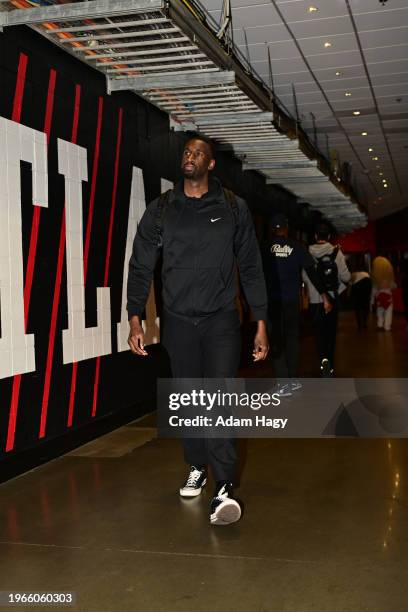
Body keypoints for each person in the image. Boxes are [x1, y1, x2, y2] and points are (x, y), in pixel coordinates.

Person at [127, 136, 269, 526]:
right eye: (186, 152)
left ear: (210, 165)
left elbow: (252, 266)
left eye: (198, 154)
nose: (189, 157)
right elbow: (140, 265)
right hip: (178, 321)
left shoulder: (232, 208)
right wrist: (135, 317)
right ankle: (196, 466)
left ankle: (223, 483)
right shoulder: (162, 209)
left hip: (221, 318)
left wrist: (260, 323)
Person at [262, 213, 331, 395]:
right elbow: (312, 272)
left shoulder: (264, 248)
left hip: (273, 301)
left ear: (271, 230)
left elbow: (255, 275)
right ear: (286, 229)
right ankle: (292, 379)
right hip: (292, 300)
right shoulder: (297, 247)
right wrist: (324, 295)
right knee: (292, 338)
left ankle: (284, 382)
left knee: (277, 339)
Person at [302, 223, 350, 377]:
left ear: (315, 236)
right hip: (332, 299)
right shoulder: (337, 252)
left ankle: (324, 367)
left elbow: (305, 277)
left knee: (319, 336)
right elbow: (346, 277)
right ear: (328, 236)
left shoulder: (307, 253)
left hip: (315, 302)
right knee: (330, 335)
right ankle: (330, 367)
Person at [371, 255, 396, 331]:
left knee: (380, 311)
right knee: (388, 312)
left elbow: (374, 291)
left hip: (379, 297)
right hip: (388, 298)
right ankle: (387, 326)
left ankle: (380, 324)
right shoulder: (389, 279)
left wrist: (371, 301)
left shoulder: (376, 281)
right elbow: (394, 286)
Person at [350, 255, 372, 331]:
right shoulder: (367, 275)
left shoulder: (353, 275)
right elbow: (370, 288)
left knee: (358, 310)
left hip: (357, 295)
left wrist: (350, 296)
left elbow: (351, 287)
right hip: (365, 295)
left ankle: (360, 325)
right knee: (365, 309)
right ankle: (364, 323)